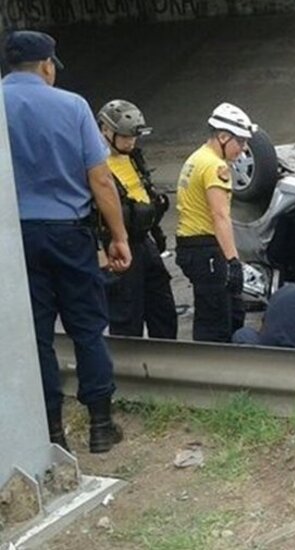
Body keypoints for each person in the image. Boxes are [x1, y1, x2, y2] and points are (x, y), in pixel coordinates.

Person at [3, 30, 131, 453]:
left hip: (14, 240)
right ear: (46, 65)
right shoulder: (72, 106)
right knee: (87, 328)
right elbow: (100, 180)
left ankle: (52, 433)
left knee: (35, 334)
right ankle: (99, 427)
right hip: (69, 234)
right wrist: (119, 237)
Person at [175, 102, 256, 342]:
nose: (243, 149)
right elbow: (220, 216)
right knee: (217, 321)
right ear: (222, 136)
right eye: (240, 142)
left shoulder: (197, 157)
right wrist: (233, 261)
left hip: (191, 246)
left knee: (229, 310)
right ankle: (215, 371)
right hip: (206, 249)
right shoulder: (215, 166)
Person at [97, 99, 177, 339]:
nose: (131, 142)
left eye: (134, 137)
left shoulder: (133, 157)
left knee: (163, 310)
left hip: (145, 243)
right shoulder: (96, 164)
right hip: (118, 246)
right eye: (125, 136)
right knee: (127, 316)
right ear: (106, 131)